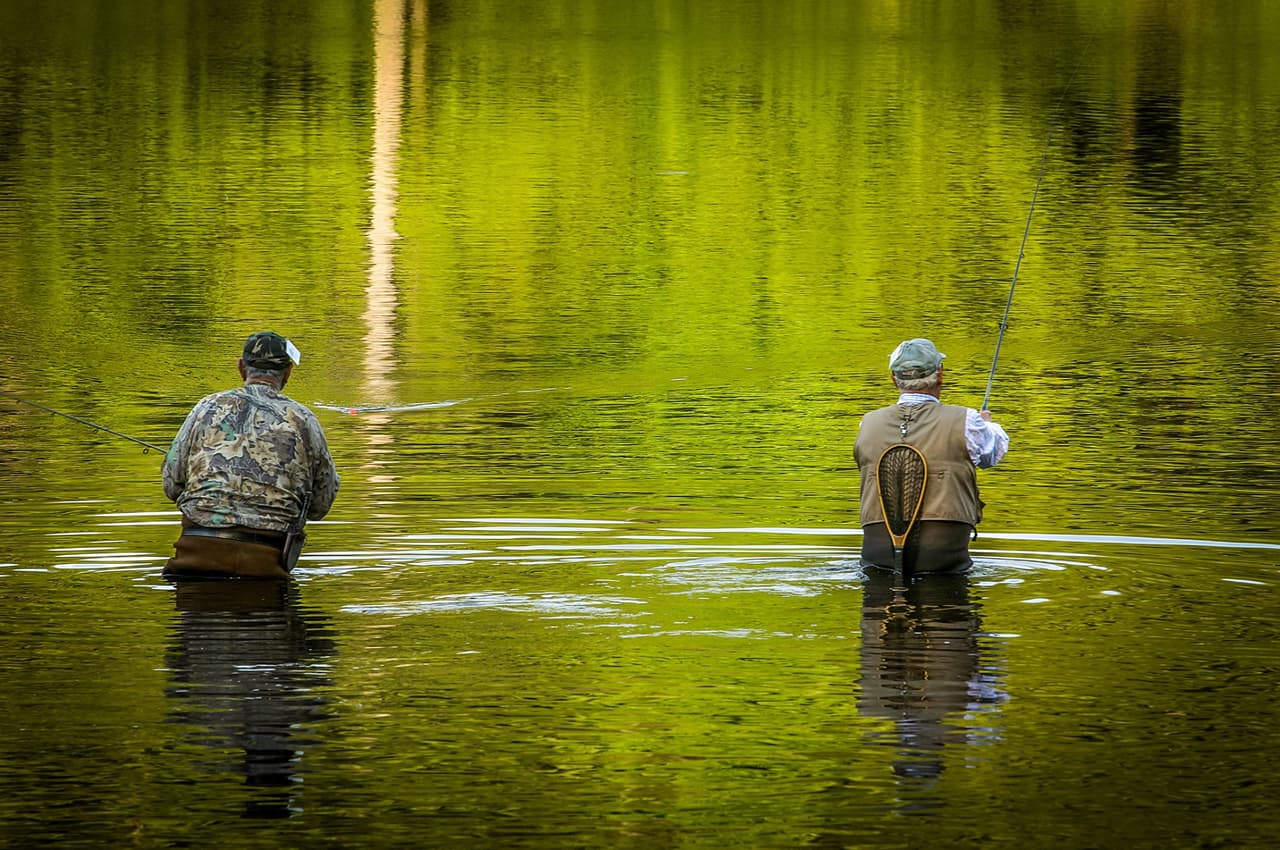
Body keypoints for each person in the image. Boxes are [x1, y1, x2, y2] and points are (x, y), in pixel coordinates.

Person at [162, 331, 339, 580]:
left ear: (241, 367)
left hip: (195, 559)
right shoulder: (304, 420)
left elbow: (171, 484)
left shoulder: (206, 408)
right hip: (265, 567)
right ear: (287, 373)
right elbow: (321, 505)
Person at [854, 338, 1008, 575]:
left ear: (894, 379)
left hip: (878, 552)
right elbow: (991, 456)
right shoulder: (967, 420)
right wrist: (990, 425)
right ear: (940, 375)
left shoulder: (868, 423)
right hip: (944, 554)